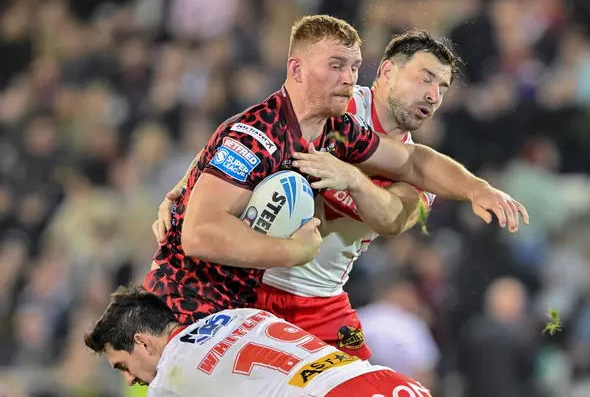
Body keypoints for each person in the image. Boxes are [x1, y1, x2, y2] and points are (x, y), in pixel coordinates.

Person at [153, 25, 529, 358]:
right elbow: (253, 130)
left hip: (318, 298)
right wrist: (187, 185)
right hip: (253, 280)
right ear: (386, 72)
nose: (433, 95)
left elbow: (393, 220)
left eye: (442, 88)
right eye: (425, 78)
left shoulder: (423, 171)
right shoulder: (335, 102)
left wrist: (475, 189)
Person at [85, 285, 433, 397]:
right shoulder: (243, 315)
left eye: (122, 366)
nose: (129, 379)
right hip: (391, 383)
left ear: (144, 343)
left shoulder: (168, 382)